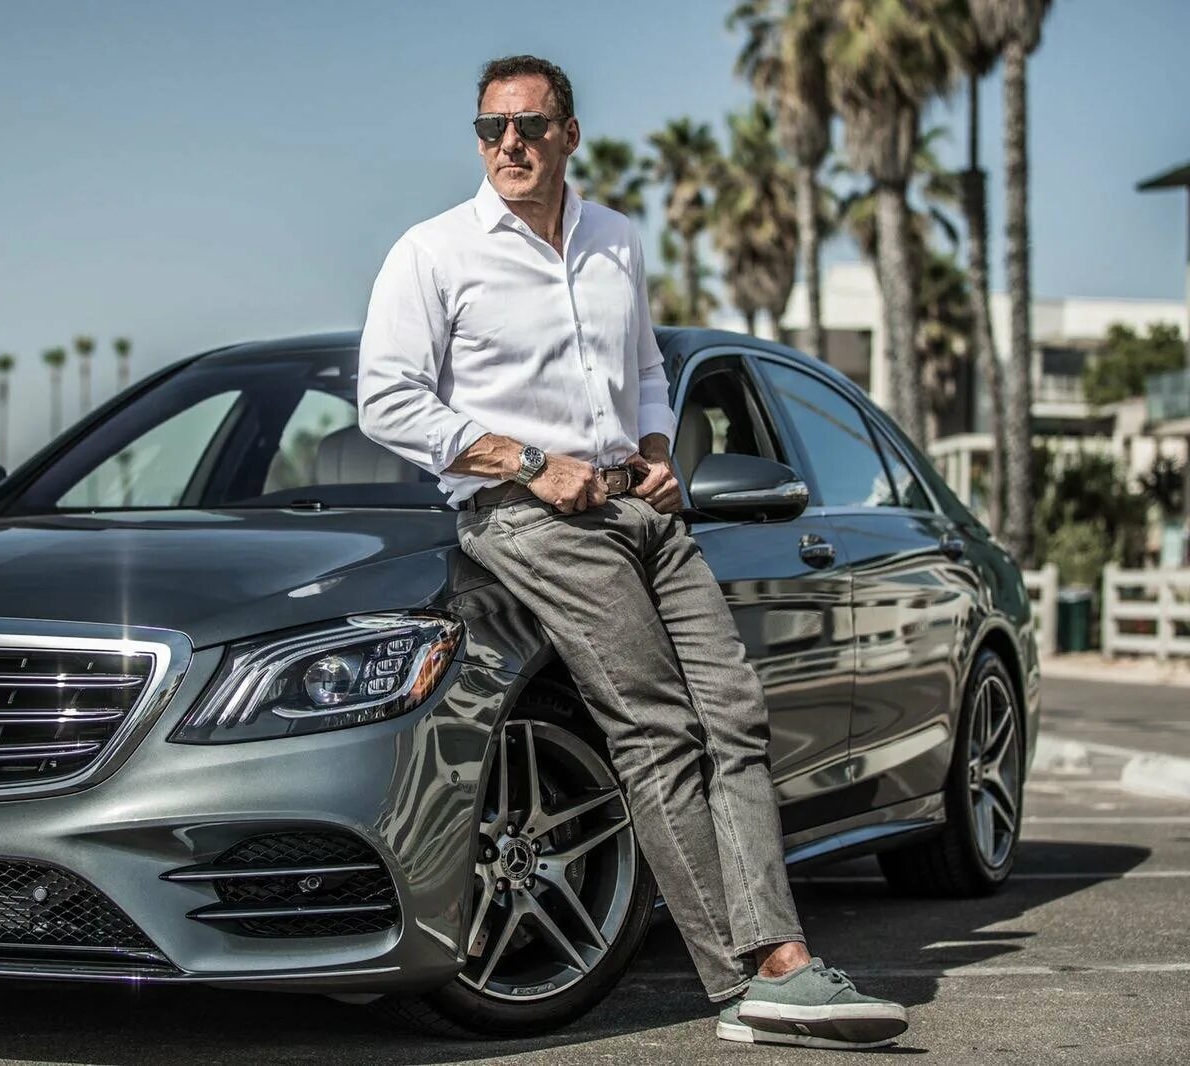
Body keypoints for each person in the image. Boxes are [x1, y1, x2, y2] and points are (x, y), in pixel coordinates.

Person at [357, 54, 909, 1049]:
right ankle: (754, 974)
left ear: (569, 134)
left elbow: (646, 366)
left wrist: (658, 449)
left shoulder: (616, 238)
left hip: (641, 509)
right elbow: (388, 399)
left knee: (734, 716)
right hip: (527, 517)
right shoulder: (433, 252)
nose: (509, 145)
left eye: (530, 126)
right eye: (490, 129)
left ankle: (777, 961)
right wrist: (528, 462)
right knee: (656, 728)